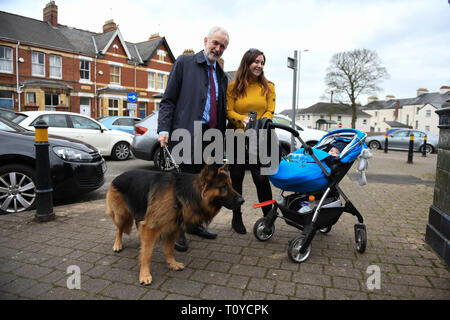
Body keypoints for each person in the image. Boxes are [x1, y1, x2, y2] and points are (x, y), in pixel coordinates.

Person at [157, 26, 230, 252]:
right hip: (186, 133)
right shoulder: (184, 63)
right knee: (183, 188)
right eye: (215, 43)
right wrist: (163, 129)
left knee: (203, 187)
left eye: (223, 46)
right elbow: (168, 100)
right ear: (206, 40)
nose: (217, 49)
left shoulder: (221, 75)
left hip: (212, 137)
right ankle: (178, 231)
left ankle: (195, 225)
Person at [226, 48, 276, 234]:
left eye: (262, 62)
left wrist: (261, 123)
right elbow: (229, 111)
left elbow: (270, 110)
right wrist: (242, 119)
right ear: (246, 63)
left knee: (261, 179)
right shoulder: (233, 87)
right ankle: (236, 218)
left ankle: (268, 219)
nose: (259, 65)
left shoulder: (268, 86)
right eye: (256, 61)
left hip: (259, 137)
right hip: (236, 136)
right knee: (236, 178)